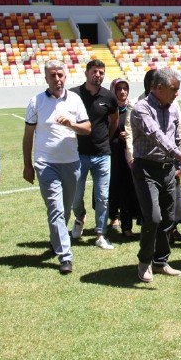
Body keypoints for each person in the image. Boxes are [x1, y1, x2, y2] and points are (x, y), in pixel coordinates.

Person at [22, 61, 91, 275]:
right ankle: (65, 256)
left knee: (66, 208)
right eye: (52, 76)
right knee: (56, 209)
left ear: (65, 77)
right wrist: (27, 165)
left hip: (71, 163)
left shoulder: (75, 100)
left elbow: (87, 128)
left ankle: (56, 240)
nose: (57, 79)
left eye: (60, 75)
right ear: (46, 79)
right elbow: (28, 136)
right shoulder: (36, 101)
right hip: (46, 164)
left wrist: (71, 124)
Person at [129, 67, 181, 282]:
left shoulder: (173, 107)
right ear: (158, 88)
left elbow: (176, 135)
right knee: (153, 217)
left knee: (169, 217)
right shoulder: (141, 109)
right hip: (146, 168)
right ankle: (144, 261)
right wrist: (179, 155)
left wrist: (178, 163)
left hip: (168, 169)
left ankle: (160, 261)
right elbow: (156, 135)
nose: (177, 93)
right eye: (174, 89)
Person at [70, 59, 119, 250]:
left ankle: (100, 234)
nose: (98, 75)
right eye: (94, 71)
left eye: (101, 72)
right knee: (76, 194)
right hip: (78, 154)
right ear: (86, 73)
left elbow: (114, 120)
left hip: (102, 154)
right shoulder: (74, 94)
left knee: (102, 196)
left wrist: (106, 138)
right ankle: (80, 217)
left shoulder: (109, 96)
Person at [108, 77, 139, 238]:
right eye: (119, 88)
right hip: (113, 153)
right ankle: (113, 216)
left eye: (125, 88)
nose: (122, 92)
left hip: (129, 154)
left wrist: (129, 134)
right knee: (113, 187)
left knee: (129, 188)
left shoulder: (133, 108)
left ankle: (127, 226)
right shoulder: (108, 108)